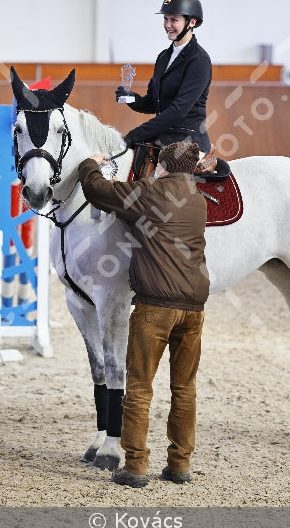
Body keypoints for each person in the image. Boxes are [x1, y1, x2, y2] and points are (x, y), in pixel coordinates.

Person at [78, 141, 210, 488]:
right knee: (185, 389)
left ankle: (135, 467)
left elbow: (98, 190)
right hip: (194, 310)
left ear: (162, 166)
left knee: (139, 389)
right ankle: (179, 465)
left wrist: (90, 164)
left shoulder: (150, 192)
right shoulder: (197, 200)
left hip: (155, 307)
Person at [115, 0, 215, 171]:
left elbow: (178, 111)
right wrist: (130, 98)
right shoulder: (163, 57)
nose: (168, 25)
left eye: (174, 20)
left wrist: (133, 135)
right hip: (162, 137)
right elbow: (153, 103)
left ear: (191, 22)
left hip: (188, 141)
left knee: (158, 192)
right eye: (166, 19)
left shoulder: (199, 60)